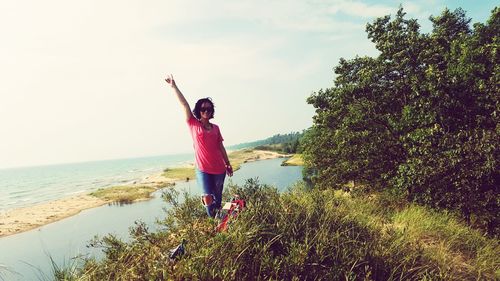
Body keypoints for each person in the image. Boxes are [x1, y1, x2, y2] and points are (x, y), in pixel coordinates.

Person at [165, 74, 233, 217]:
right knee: (207, 197)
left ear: (211, 111)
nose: (206, 111)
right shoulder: (193, 123)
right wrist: (174, 86)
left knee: (218, 199)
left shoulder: (216, 128)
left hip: (219, 168)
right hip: (203, 169)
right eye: (203, 109)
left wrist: (227, 163)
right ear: (198, 111)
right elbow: (184, 104)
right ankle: (213, 220)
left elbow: (221, 147)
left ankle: (219, 222)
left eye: (209, 109)